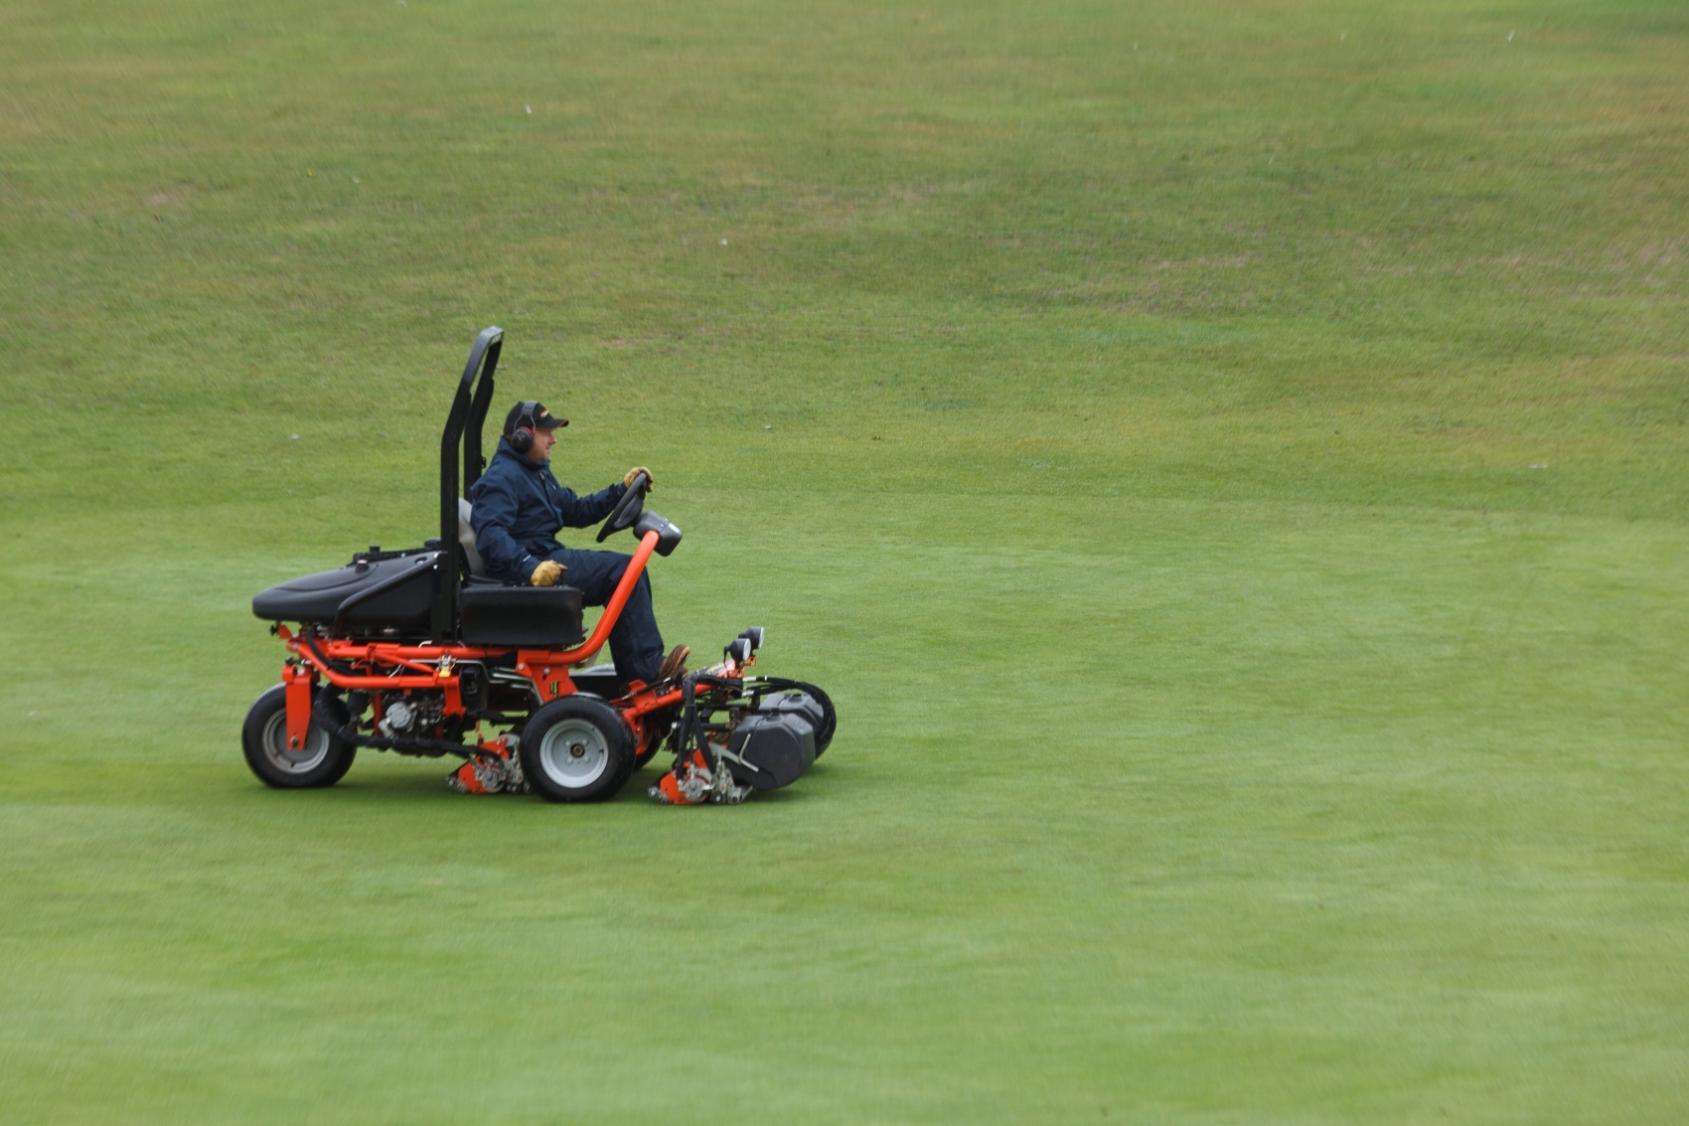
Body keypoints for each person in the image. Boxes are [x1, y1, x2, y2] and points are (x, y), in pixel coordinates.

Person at [468, 399, 684, 687]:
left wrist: (620, 491)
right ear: (524, 435)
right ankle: (645, 674)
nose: (553, 439)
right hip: (528, 572)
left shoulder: (535, 473)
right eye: (547, 433)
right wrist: (530, 567)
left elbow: (577, 510)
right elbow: (490, 534)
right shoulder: (502, 478)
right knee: (623, 572)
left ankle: (639, 673)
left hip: (546, 560)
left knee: (627, 570)